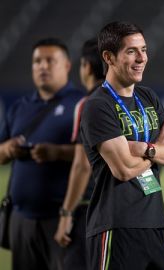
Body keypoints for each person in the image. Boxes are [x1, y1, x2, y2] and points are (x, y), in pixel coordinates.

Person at [80, 21, 164, 270]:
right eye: (131, 51)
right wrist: (158, 150)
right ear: (109, 57)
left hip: (154, 223)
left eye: (144, 50)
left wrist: (147, 149)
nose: (141, 58)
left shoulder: (148, 97)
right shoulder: (98, 106)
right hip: (115, 227)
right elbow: (123, 169)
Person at [0, 38, 84, 270]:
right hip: (21, 218)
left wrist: (57, 153)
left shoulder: (80, 104)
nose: (43, 66)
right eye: (37, 61)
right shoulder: (20, 107)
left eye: (50, 61)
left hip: (63, 219)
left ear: (67, 65)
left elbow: (91, 154)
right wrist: (8, 149)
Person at [54, 38, 104, 269]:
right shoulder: (135, 99)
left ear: (86, 66)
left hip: (89, 209)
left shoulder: (88, 104)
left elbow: (82, 165)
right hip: (129, 209)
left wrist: (66, 214)